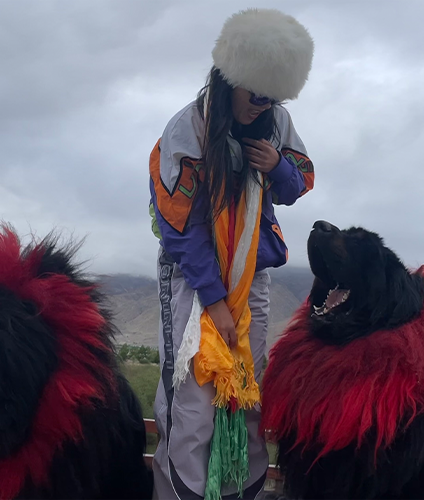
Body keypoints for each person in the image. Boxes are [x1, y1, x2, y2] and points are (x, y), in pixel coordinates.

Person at [148, 8, 315, 500]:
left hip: (252, 278)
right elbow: (179, 225)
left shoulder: (277, 124)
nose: (261, 105)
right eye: (254, 94)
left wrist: (277, 166)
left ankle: (243, 491)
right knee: (192, 403)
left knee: (248, 394)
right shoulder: (188, 128)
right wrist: (215, 301)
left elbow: (300, 182)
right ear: (230, 77)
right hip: (192, 281)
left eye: (272, 97)